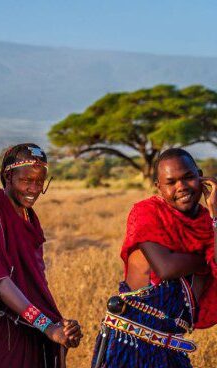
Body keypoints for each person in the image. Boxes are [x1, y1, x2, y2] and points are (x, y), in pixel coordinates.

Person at [0, 143, 83, 367]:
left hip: (29, 331)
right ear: (8, 176)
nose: (33, 189)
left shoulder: (30, 218)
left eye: (39, 182)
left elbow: (36, 282)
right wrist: (47, 325)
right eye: (26, 180)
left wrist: (60, 326)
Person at [92, 148, 217, 367]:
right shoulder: (147, 212)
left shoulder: (208, 222)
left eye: (188, 177)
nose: (182, 187)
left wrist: (216, 213)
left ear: (200, 176)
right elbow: (166, 268)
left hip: (172, 345)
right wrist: (206, 258)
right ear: (159, 187)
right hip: (132, 342)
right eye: (171, 182)